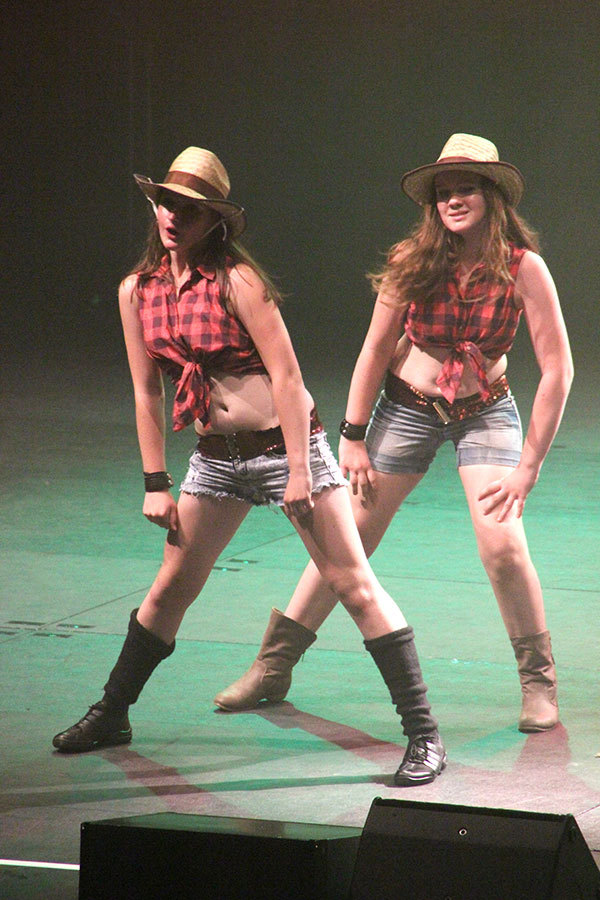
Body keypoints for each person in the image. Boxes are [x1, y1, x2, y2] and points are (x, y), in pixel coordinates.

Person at [52, 146, 446, 786]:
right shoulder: (137, 291)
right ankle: (112, 712)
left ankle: (424, 735)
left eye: (188, 209)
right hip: (215, 459)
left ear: (215, 221)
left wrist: (299, 469)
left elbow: (287, 378)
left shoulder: (238, 281)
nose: (172, 217)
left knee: (351, 582)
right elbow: (146, 392)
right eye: (165, 204)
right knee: (170, 588)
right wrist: (155, 481)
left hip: (284, 448)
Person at [215, 133, 573, 735]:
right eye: (443, 192)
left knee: (503, 547)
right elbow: (376, 348)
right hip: (408, 406)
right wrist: (352, 435)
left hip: (485, 409)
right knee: (347, 537)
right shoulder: (413, 259)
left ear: (491, 196)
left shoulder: (523, 267)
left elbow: (558, 369)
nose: (452, 200)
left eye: (466, 189)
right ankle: (272, 667)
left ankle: (539, 683)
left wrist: (529, 466)